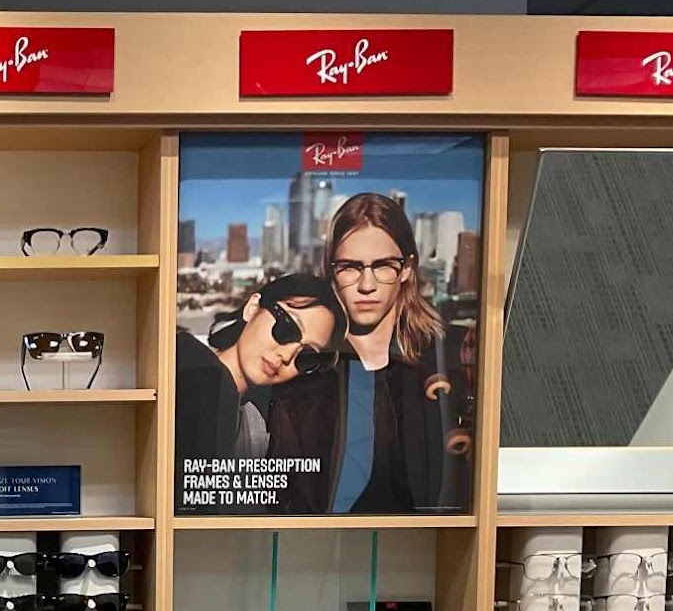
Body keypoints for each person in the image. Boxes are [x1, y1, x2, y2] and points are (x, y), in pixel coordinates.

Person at [264, 192, 472, 514]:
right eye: (350, 267)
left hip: (430, 539)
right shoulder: (302, 368)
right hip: (317, 540)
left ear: (406, 269)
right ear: (331, 271)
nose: (366, 285)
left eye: (383, 266)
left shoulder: (448, 355)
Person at [174, 274, 341, 513]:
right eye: (288, 328)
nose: (287, 356)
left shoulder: (255, 420)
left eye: (307, 356)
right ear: (253, 308)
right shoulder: (191, 373)